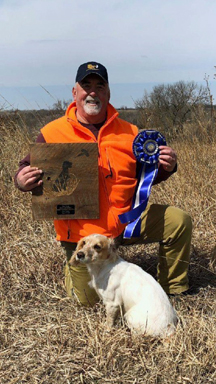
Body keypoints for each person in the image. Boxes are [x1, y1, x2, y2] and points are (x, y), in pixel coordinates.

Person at [14, 61, 192, 306]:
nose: (93, 92)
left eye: (100, 85)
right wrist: (22, 180)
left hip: (127, 220)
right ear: (75, 92)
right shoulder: (51, 133)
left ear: (108, 93)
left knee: (178, 222)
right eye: (86, 85)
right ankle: (73, 269)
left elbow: (145, 176)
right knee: (88, 302)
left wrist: (166, 166)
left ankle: (173, 288)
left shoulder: (130, 132)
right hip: (84, 236)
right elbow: (27, 169)